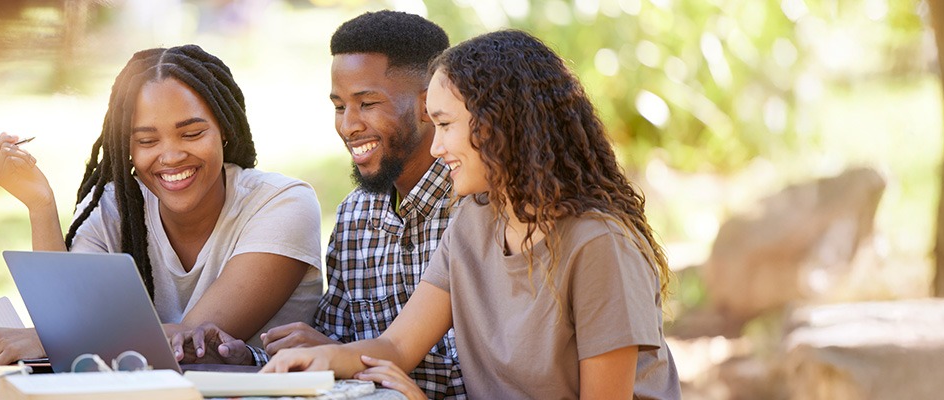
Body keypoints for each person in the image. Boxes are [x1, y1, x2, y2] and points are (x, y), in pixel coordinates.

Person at [262, 30, 682, 399]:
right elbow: (396, 348)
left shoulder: (598, 245)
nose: (437, 147)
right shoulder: (473, 220)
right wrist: (319, 359)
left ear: (497, 125)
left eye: (445, 125)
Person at [0, 44, 324, 366]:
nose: (172, 155)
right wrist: (40, 205)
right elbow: (65, 319)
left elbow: (193, 339)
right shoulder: (112, 209)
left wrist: (51, 340)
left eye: (191, 133)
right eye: (146, 141)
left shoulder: (282, 204)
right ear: (125, 148)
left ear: (224, 130)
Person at [198, 10, 468, 397]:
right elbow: (330, 344)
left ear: (428, 105)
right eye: (340, 107)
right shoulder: (355, 216)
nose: (347, 126)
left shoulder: (476, 209)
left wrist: (345, 359)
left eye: (367, 103)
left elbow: (485, 374)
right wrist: (250, 362)